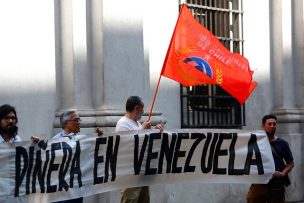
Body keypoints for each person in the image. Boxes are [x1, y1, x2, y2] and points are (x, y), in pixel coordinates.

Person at [115, 96, 164, 203]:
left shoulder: (136, 123)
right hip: (129, 175)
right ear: (136, 108)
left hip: (141, 172)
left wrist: (154, 130)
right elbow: (128, 146)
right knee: (130, 200)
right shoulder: (122, 123)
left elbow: (143, 142)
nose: (143, 111)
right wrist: (143, 130)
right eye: (142, 108)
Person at [247, 114, 294, 203]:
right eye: (269, 124)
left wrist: (282, 173)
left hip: (277, 182)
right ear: (263, 126)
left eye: (274, 124)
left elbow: (291, 163)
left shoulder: (282, 143)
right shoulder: (256, 143)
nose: (272, 126)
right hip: (260, 181)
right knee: (251, 198)